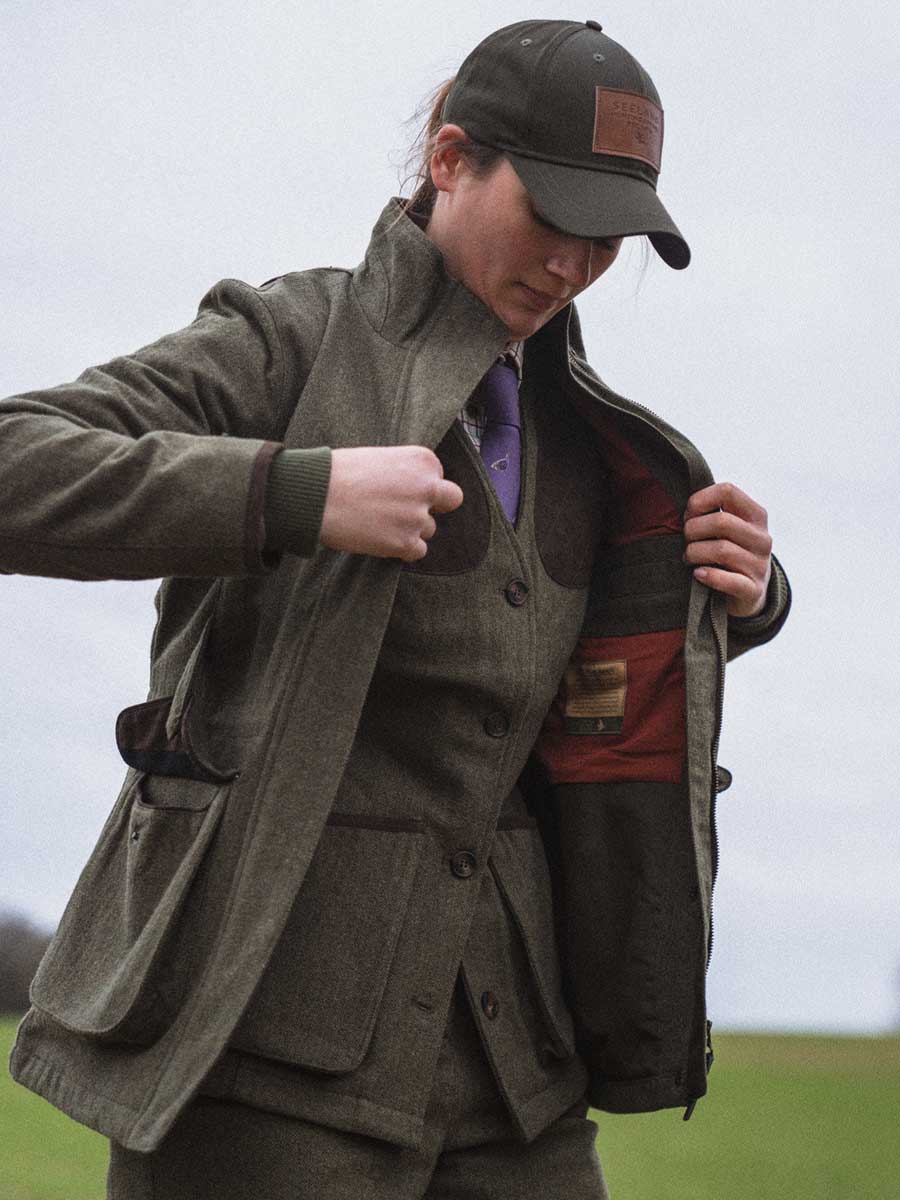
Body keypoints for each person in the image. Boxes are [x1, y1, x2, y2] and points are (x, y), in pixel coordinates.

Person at [4, 18, 790, 1199]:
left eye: (608, 237)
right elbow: (16, 463)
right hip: (258, 1052)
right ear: (450, 158)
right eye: (555, 216)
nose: (576, 264)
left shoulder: (600, 440)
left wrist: (744, 593)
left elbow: (596, 683)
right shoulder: (289, 341)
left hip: (518, 1076)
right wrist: (296, 493)